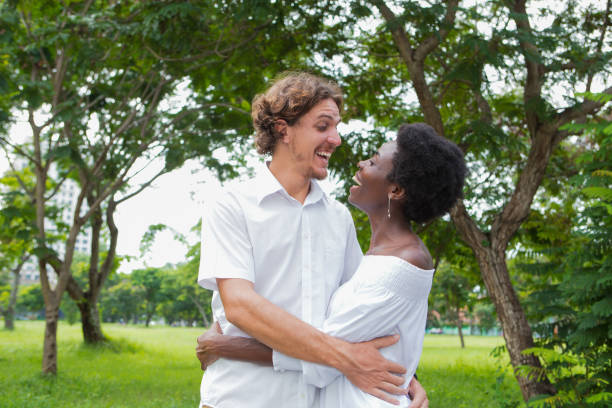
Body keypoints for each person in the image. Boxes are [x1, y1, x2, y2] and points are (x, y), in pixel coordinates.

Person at [195, 72, 428, 408]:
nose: (336, 139)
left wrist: (404, 379)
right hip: (240, 398)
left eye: (336, 127)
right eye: (323, 126)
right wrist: (347, 357)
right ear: (282, 129)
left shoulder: (339, 217)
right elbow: (241, 306)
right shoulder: (231, 203)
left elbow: (365, 314)